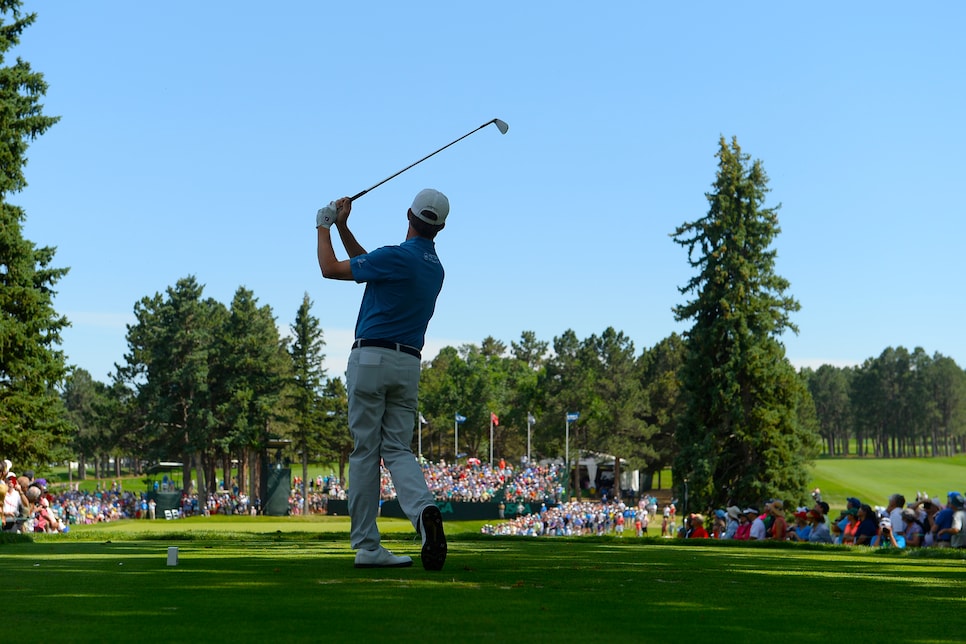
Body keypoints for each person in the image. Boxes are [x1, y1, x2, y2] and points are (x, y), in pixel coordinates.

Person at [316, 189, 450, 571]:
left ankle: (367, 546)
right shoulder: (433, 269)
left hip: (370, 358)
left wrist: (322, 225)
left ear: (408, 214)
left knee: (364, 452)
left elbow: (331, 269)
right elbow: (369, 264)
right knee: (397, 450)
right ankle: (424, 511)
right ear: (440, 227)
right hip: (408, 363)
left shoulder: (394, 256)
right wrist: (344, 226)